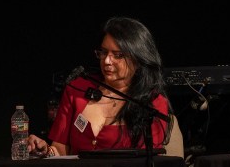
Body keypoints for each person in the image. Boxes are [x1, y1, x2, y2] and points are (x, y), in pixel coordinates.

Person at [27, 16, 172, 156]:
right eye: (103, 52)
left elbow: (148, 162)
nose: (107, 61)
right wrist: (44, 151)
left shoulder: (152, 103)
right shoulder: (77, 90)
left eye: (118, 55)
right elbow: (59, 150)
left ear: (139, 59)